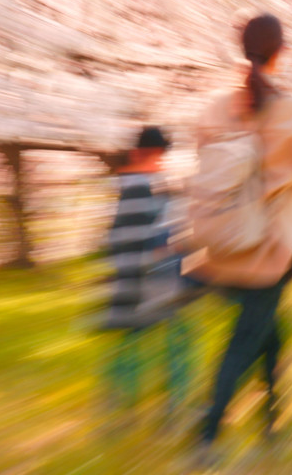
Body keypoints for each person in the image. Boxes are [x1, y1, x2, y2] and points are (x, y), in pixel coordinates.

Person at [185, 13, 292, 458]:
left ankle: (272, 416)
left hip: (221, 245)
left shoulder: (216, 108)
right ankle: (207, 433)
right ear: (282, 52)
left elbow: (207, 166)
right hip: (270, 250)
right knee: (246, 339)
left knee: (271, 331)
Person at [101, 126, 192, 420]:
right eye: (157, 154)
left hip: (136, 276)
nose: (160, 160)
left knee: (134, 340)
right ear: (142, 153)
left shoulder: (132, 184)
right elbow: (156, 236)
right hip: (151, 277)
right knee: (176, 337)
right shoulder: (140, 186)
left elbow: (117, 237)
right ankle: (172, 405)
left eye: (161, 155)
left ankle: (122, 404)